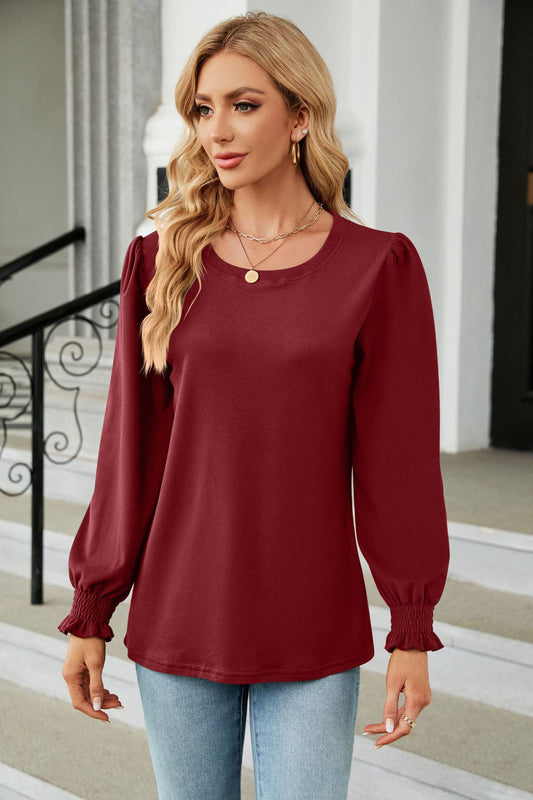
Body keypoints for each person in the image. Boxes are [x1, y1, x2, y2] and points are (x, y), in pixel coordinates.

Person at [59, 10, 449, 800]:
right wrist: (92, 606)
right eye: (203, 109)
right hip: (181, 613)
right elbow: (131, 452)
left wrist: (410, 627)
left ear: (300, 116)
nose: (217, 131)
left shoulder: (377, 267)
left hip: (310, 623)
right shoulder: (160, 262)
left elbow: (398, 467)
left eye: (243, 105)